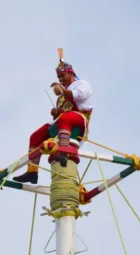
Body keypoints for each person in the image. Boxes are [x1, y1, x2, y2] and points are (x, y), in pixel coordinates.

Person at [13, 55, 93, 186]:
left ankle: (63, 150)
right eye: (59, 77)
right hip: (64, 121)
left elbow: (79, 96)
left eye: (62, 76)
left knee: (65, 118)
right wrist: (56, 113)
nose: (61, 79)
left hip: (80, 119)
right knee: (36, 136)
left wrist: (63, 90)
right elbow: (60, 114)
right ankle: (32, 171)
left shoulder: (82, 84)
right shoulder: (61, 96)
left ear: (70, 73)